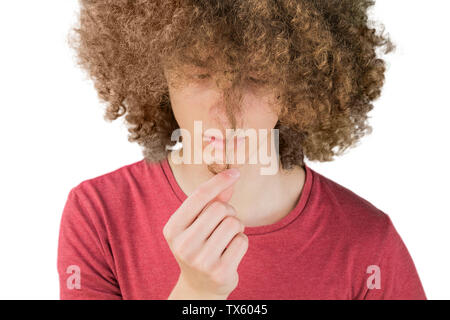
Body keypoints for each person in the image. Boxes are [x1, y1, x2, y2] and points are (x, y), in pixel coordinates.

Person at [57, 0, 426, 299]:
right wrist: (196, 294)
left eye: (257, 78)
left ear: (300, 83)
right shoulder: (99, 214)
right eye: (200, 75)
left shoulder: (368, 244)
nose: (227, 114)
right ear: (154, 74)